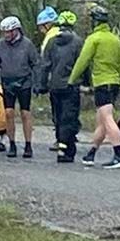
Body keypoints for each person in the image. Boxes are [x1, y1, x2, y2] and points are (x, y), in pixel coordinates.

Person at [69, 4, 120, 168]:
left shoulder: (94, 39)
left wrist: (72, 79)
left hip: (102, 83)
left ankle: (119, 154)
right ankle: (91, 153)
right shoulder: (114, 39)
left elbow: (83, 61)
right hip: (115, 83)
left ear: (94, 22)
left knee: (108, 119)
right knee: (102, 121)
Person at [38, 10, 83, 162]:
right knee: (69, 117)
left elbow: (45, 65)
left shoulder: (51, 42)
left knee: (58, 115)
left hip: (54, 85)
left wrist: (42, 85)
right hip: (71, 85)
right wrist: (87, 82)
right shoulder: (78, 42)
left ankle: (60, 143)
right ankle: (66, 150)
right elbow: (82, 64)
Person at [0, 16, 42, 159]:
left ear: (16, 31)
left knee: (25, 113)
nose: (6, 35)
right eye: (4, 32)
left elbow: (35, 64)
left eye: (9, 32)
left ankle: (28, 144)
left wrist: (37, 83)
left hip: (24, 82)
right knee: (8, 113)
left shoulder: (27, 45)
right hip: (7, 82)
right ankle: (12, 143)